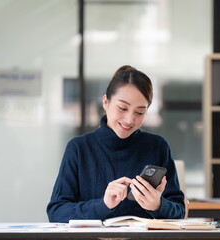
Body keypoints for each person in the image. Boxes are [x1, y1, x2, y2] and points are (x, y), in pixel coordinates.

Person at [47, 65, 185, 222]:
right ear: (105, 102)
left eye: (139, 112)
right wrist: (103, 205)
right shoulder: (78, 149)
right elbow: (56, 212)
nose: (129, 120)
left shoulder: (158, 147)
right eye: (122, 108)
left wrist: (158, 205)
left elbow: (180, 210)